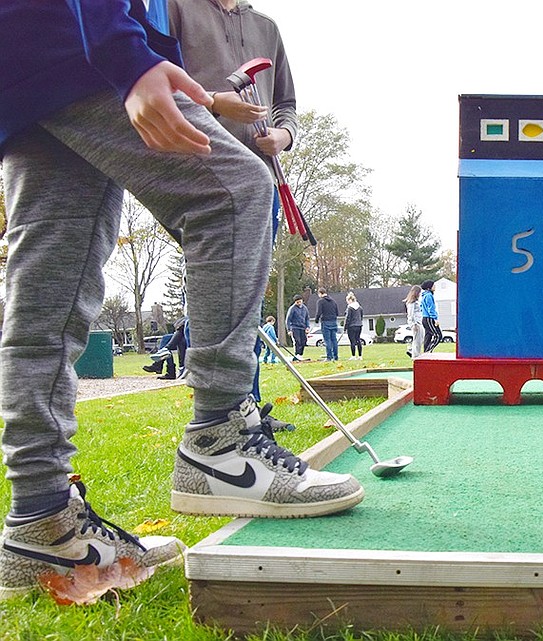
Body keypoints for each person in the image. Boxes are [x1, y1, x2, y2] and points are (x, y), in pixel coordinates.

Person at [0, 0, 363, 601]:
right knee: (236, 192)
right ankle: (219, 444)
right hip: (72, 45)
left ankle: (41, 520)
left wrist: (144, 54)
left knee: (51, 289)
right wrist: (127, 58)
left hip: (26, 61)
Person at [167, 0, 298, 432]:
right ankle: (220, 413)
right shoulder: (175, 8)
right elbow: (155, 79)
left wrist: (283, 135)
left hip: (262, 179)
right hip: (199, 168)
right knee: (217, 284)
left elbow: (286, 103)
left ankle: (248, 407)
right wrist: (216, 104)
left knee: (250, 289)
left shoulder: (266, 27)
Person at [315, 287, 339, 362]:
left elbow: (319, 312)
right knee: (334, 340)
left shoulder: (321, 301)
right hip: (334, 321)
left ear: (320, 293)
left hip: (325, 322)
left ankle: (329, 357)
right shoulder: (333, 301)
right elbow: (337, 312)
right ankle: (335, 356)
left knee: (327, 340)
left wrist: (316, 320)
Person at [420, 280, 442, 354]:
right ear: (429, 287)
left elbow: (421, 307)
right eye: (433, 285)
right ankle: (428, 351)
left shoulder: (423, 296)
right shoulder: (429, 295)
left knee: (428, 336)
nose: (435, 286)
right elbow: (431, 308)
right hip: (429, 318)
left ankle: (426, 352)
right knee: (438, 336)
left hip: (424, 318)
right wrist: (435, 319)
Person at [285, 294, 309, 361]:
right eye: (297, 302)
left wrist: (307, 327)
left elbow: (307, 318)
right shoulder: (292, 309)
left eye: (300, 301)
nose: (299, 303)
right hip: (295, 327)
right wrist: (289, 329)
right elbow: (288, 319)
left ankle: (301, 354)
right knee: (297, 341)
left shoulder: (305, 308)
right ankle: (297, 354)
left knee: (303, 341)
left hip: (303, 327)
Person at [404, 285, 424, 359]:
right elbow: (410, 314)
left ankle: (412, 351)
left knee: (420, 339)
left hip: (419, 322)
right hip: (416, 323)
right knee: (417, 340)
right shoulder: (412, 303)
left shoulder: (416, 302)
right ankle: (415, 355)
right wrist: (413, 324)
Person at [343, 292, 364, 360]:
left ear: (350, 300)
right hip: (359, 325)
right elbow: (361, 316)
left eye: (347, 301)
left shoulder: (350, 308)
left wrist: (345, 327)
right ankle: (360, 356)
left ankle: (353, 356)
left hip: (351, 326)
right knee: (358, 340)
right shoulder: (360, 307)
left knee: (352, 341)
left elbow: (348, 318)